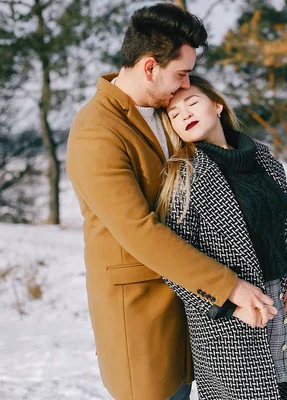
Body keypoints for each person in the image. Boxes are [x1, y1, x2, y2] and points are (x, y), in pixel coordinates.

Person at [66, 4, 276, 400]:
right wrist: (229, 286)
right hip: (145, 319)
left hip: (199, 320)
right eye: (180, 73)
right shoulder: (96, 130)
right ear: (149, 67)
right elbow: (139, 231)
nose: (185, 85)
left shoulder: (161, 114)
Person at [156, 75, 287, 400]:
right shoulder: (184, 178)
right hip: (225, 327)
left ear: (217, 104)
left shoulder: (264, 161)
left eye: (192, 102)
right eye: (174, 113)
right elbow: (173, 264)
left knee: (285, 391)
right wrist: (229, 307)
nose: (184, 113)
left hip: (277, 309)